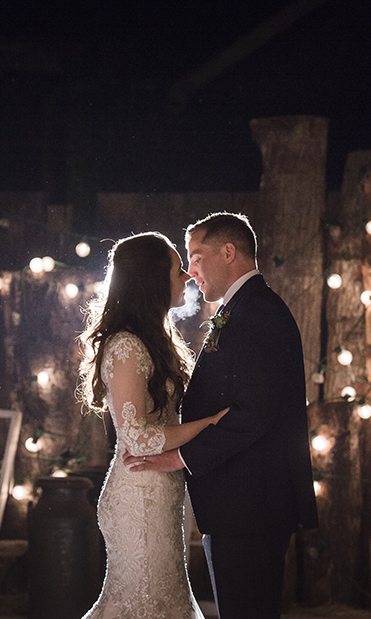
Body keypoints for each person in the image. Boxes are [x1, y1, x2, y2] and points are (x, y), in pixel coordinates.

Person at [124, 212, 319, 619]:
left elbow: (255, 413)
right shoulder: (243, 310)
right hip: (239, 504)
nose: (190, 271)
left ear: (229, 252)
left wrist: (180, 457)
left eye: (196, 257)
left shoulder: (259, 314)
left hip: (251, 507)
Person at [77, 232, 228, 619]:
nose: (188, 278)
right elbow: (138, 436)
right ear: (154, 280)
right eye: (179, 271)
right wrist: (208, 425)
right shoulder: (125, 346)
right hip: (138, 497)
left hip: (161, 494)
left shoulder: (156, 339)